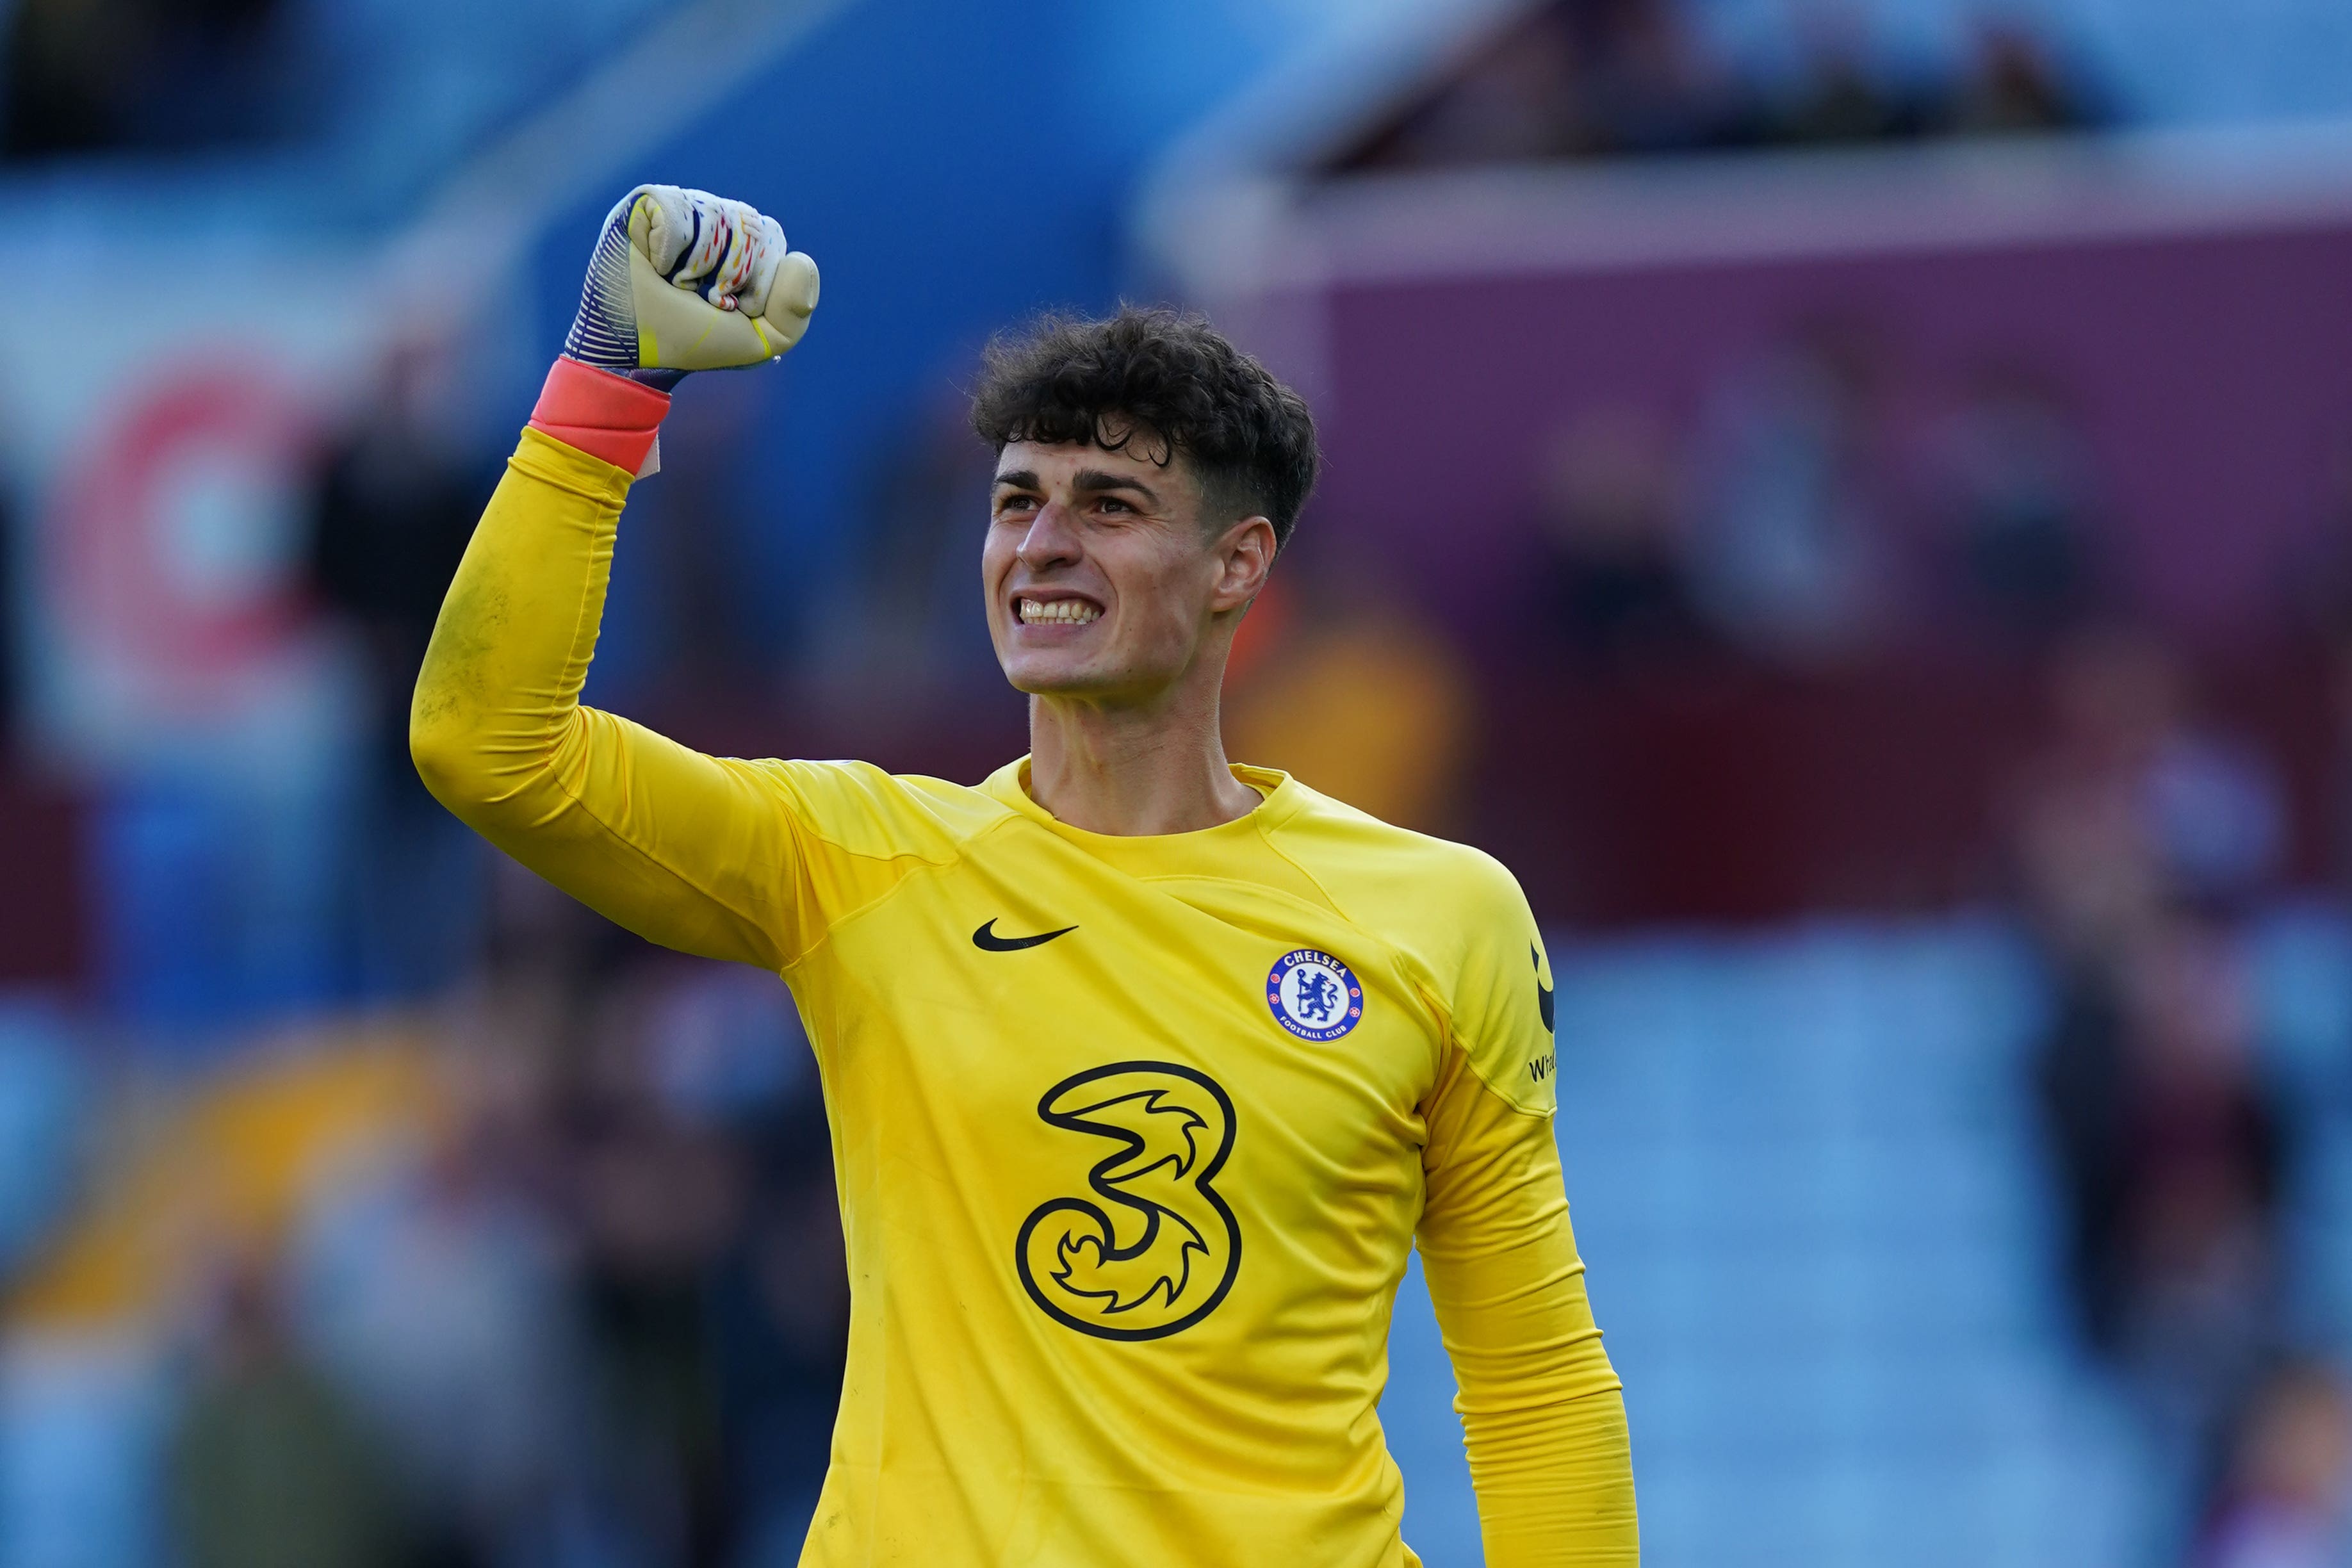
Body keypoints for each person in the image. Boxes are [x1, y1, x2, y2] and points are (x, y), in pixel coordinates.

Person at [411, 186, 1637, 1565]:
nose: (1041, 543)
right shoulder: (861, 863)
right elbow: (488, 746)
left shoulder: (1443, 912)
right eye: (1015, 503)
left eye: (1108, 505)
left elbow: (1533, 1376)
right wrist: (607, 377)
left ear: (1240, 565)